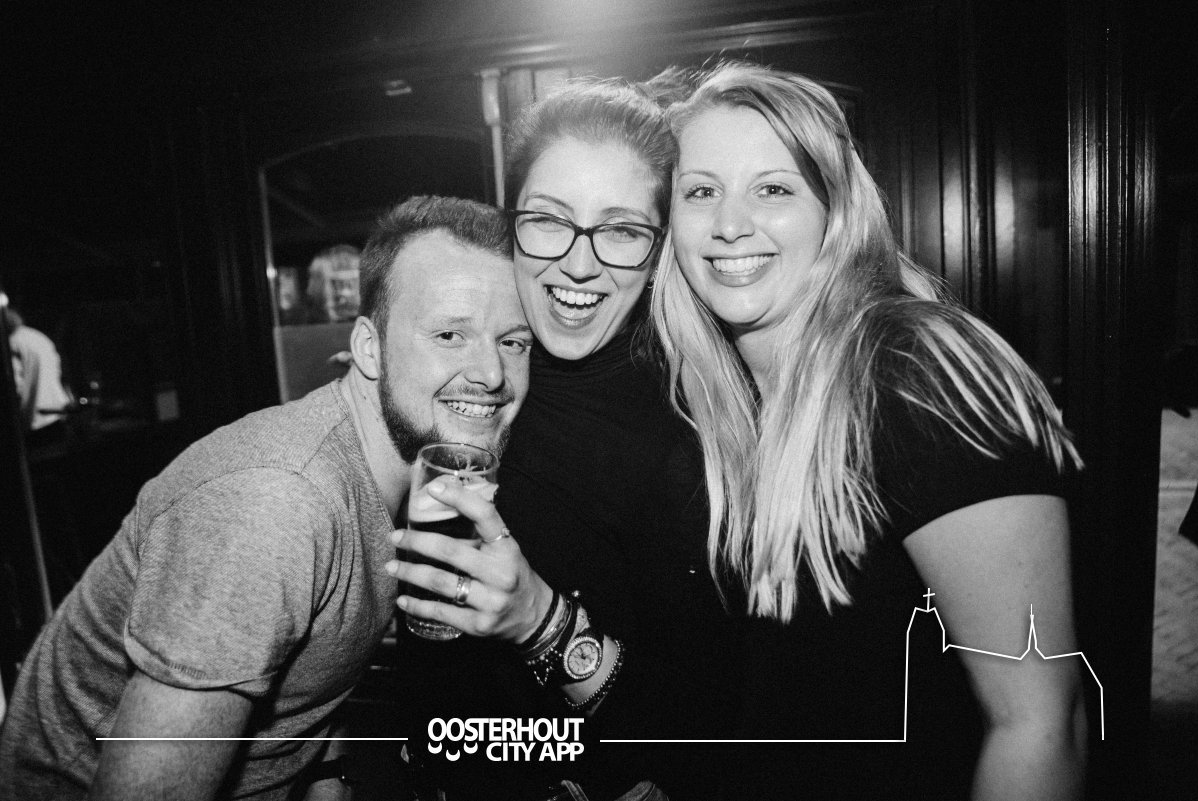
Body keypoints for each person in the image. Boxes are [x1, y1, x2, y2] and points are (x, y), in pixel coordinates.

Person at [651, 61, 1088, 799]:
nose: (729, 224)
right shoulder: (728, 397)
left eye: (773, 189)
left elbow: (1041, 726)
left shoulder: (914, 371)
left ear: (836, 210)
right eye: (700, 192)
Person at [0, 195, 531, 801]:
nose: (492, 373)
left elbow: (310, 690)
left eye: (514, 342)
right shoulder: (276, 505)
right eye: (450, 334)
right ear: (369, 349)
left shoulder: (402, 481)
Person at [387, 78, 737, 801]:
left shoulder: (693, 436)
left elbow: (704, 739)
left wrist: (540, 621)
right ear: (511, 221)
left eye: (621, 231)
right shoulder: (482, 376)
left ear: (660, 249)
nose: (579, 264)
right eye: (549, 220)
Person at [4, 305, 72, 446]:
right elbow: (58, 371)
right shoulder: (37, 336)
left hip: (36, 420)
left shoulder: (11, 343)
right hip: (58, 412)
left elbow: (14, 385)